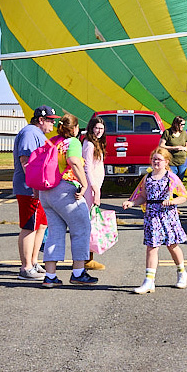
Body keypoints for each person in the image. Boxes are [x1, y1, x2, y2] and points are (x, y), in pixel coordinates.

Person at [39, 114, 98, 288]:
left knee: (55, 232)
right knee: (81, 228)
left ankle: (50, 276)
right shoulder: (73, 142)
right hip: (64, 189)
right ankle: (78, 272)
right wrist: (85, 184)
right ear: (74, 129)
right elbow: (73, 161)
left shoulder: (52, 141)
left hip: (46, 191)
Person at [122, 148, 187, 293]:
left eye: (159, 159)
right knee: (151, 247)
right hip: (152, 216)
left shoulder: (171, 177)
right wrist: (132, 203)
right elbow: (143, 196)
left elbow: (184, 196)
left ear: (166, 162)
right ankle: (149, 281)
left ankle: (182, 273)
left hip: (168, 216)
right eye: (154, 159)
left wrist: (172, 202)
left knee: (172, 245)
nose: (156, 162)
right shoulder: (147, 178)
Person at [12, 105, 59, 280]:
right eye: (51, 121)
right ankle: (25, 268)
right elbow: (26, 162)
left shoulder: (37, 134)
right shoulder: (30, 133)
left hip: (39, 189)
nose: (53, 124)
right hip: (29, 189)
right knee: (29, 226)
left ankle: (33, 261)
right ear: (41, 120)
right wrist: (35, 188)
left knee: (40, 226)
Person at [82, 115, 108, 271]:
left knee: (92, 223)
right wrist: (95, 189)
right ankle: (86, 258)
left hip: (96, 187)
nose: (99, 131)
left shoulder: (97, 143)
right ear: (91, 128)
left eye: (102, 128)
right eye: (97, 128)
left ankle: (88, 257)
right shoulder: (89, 145)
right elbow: (87, 169)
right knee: (89, 224)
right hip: (91, 190)